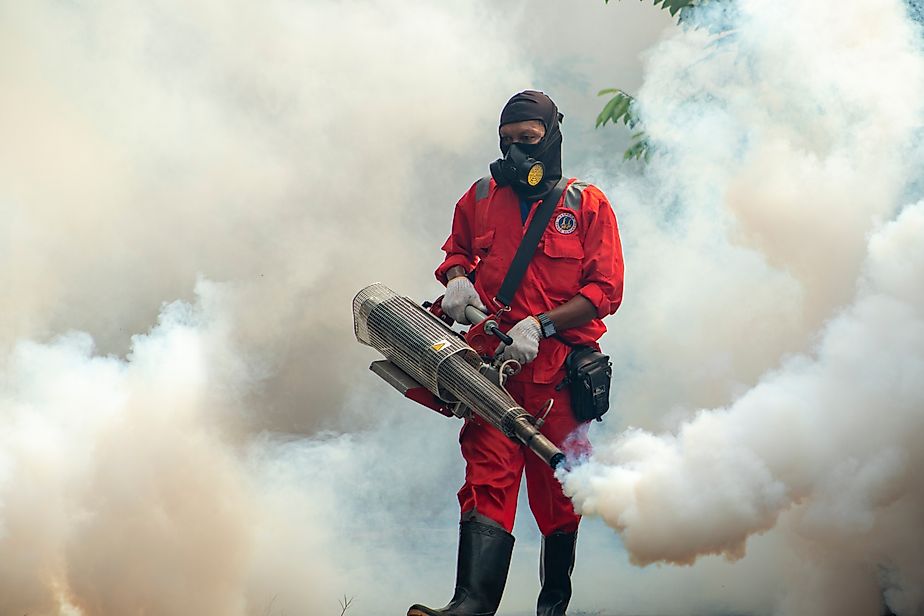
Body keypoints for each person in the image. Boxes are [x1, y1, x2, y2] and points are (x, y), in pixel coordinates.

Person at [408, 90, 624, 616]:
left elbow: (605, 290)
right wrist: (457, 281)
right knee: (487, 482)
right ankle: (470, 607)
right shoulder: (480, 196)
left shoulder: (586, 205)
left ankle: (552, 607)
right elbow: (456, 251)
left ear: (551, 137)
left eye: (527, 141)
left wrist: (543, 324)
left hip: (560, 380)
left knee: (559, 497)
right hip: (492, 375)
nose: (516, 154)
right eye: (506, 142)